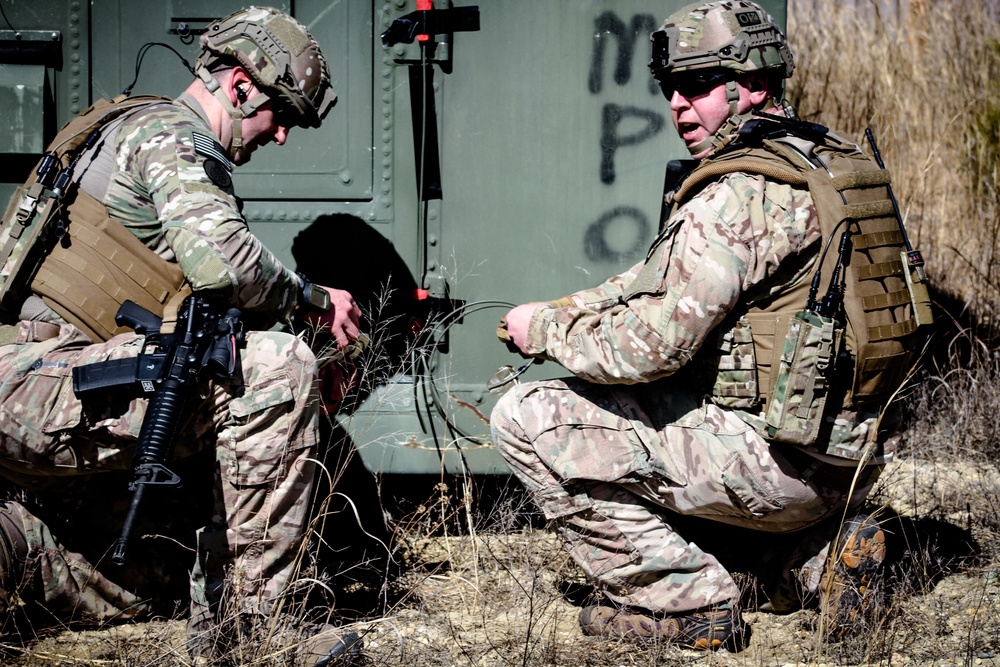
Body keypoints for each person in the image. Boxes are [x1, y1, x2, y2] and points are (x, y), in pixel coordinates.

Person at [491, 0, 929, 651]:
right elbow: (653, 284)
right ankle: (817, 559)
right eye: (670, 87)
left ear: (750, 83)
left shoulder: (737, 192)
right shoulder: (832, 163)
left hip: (776, 462)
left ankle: (691, 604)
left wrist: (546, 335)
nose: (676, 103)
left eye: (696, 85)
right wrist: (563, 310)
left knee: (526, 415)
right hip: (852, 459)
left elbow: (651, 346)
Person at [0, 6, 363, 664]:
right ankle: (251, 635)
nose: (281, 135)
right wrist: (311, 302)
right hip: (37, 383)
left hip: (50, 388)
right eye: (280, 114)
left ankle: (15, 548)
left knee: (164, 564)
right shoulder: (167, 134)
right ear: (239, 84)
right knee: (277, 369)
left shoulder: (136, 132)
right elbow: (223, 261)